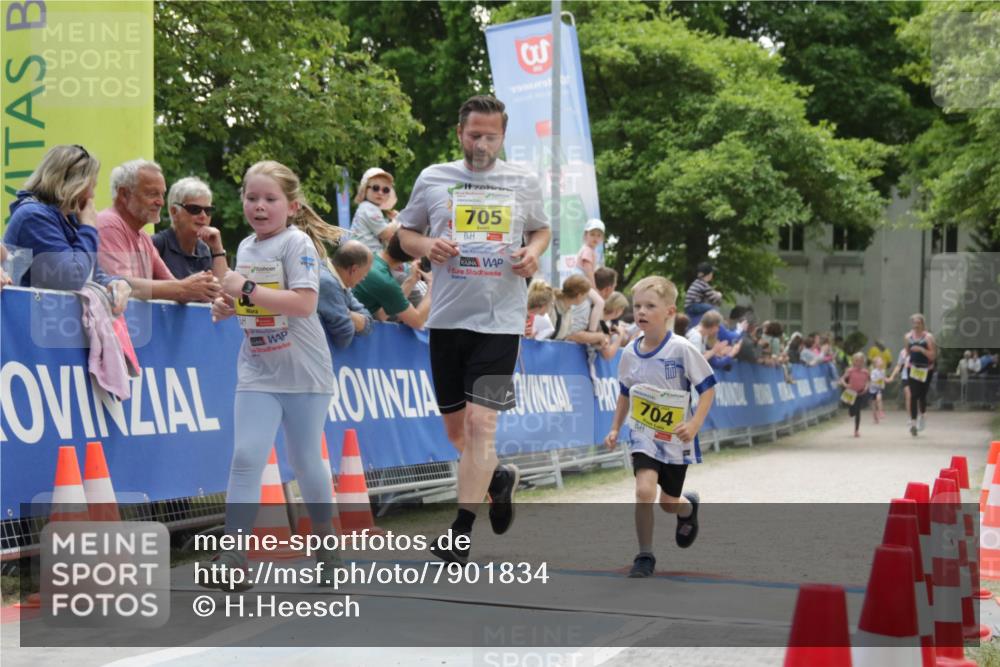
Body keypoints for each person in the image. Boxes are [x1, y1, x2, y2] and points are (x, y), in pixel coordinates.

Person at [396, 94, 551, 564]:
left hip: (500, 322)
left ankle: (460, 531)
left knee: (483, 424)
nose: (482, 144)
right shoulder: (433, 178)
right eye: (474, 135)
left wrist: (534, 252)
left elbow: (541, 230)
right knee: (458, 432)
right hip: (446, 319)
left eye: (491, 136)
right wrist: (427, 244)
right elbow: (404, 235)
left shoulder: (522, 181)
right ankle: (498, 477)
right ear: (459, 133)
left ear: (503, 136)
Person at [202, 160, 342, 589]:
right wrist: (229, 307)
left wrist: (242, 288)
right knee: (246, 457)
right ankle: (234, 558)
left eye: (269, 199)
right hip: (258, 368)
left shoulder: (296, 242)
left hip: (303, 368)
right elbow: (252, 300)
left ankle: (328, 551)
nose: (259, 207)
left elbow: (302, 304)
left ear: (292, 206)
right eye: (251, 197)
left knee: (305, 462)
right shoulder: (245, 248)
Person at [602, 276, 716, 578]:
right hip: (643, 434)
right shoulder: (629, 353)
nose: (641, 311)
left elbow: (708, 389)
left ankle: (687, 509)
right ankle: (645, 555)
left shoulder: (682, 349)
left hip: (676, 437)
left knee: (667, 503)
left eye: (650, 306)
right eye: (637, 305)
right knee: (643, 491)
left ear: (669, 311)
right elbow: (625, 393)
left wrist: (693, 424)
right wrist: (615, 428)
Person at [3, 144, 130, 313]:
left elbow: (92, 274)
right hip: (26, 325)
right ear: (72, 184)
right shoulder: (33, 216)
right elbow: (71, 278)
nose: (92, 195)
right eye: (90, 186)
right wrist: (89, 228)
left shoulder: (70, 221)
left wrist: (115, 283)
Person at [97, 159, 220, 303]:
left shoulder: (142, 237)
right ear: (124, 194)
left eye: (162, 194)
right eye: (152, 194)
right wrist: (185, 288)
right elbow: (121, 287)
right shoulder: (110, 225)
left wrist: (206, 290)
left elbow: (176, 286)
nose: (161, 202)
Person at [152, 176, 228, 281]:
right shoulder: (156, 244)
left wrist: (218, 249)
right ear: (174, 212)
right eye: (194, 209)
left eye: (208, 210)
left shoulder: (204, 249)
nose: (203, 216)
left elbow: (223, 292)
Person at [352, 232, 433, 330]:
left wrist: (412, 280)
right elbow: (418, 322)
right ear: (415, 257)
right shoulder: (386, 282)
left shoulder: (371, 260)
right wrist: (433, 284)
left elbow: (381, 315)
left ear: (390, 240)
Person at [317, 240, 375, 350]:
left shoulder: (340, 281)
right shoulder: (328, 283)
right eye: (365, 272)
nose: (364, 278)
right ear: (354, 269)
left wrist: (346, 313)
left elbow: (369, 322)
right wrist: (351, 316)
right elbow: (344, 336)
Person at [349, 167, 398, 256]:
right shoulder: (369, 208)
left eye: (385, 190)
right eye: (375, 188)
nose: (380, 193)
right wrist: (398, 220)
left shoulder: (368, 208)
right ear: (365, 190)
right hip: (366, 257)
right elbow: (385, 234)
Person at [903, 313, 936, 436]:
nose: (916, 325)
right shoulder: (907, 337)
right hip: (913, 368)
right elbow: (907, 352)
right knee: (913, 395)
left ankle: (922, 415)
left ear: (922, 324)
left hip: (926, 369)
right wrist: (906, 362)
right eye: (914, 323)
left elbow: (933, 355)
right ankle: (913, 424)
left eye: (918, 323)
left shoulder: (928, 338)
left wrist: (921, 349)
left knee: (922, 395)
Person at [839, 352, 871, 438]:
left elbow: (868, 381)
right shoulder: (850, 370)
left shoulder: (865, 372)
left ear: (863, 362)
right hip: (851, 393)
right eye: (857, 361)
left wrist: (866, 388)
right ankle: (850, 411)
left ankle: (856, 430)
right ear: (853, 361)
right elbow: (842, 379)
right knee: (852, 412)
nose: (859, 363)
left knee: (858, 411)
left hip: (860, 393)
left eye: (861, 361)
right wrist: (846, 385)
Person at [574, 218, 604, 287]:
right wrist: (594, 287)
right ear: (585, 235)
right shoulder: (587, 250)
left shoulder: (590, 250)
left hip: (581, 282)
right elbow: (588, 271)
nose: (595, 238)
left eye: (599, 235)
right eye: (592, 234)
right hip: (580, 283)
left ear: (602, 238)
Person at [869, 356, 887, 422]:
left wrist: (887, 380)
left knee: (879, 398)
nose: (881, 362)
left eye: (881, 361)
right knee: (873, 403)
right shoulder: (873, 371)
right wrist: (879, 381)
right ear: (875, 364)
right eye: (879, 361)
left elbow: (884, 378)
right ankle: (875, 416)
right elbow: (873, 380)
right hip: (873, 389)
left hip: (879, 388)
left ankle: (881, 411)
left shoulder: (883, 371)